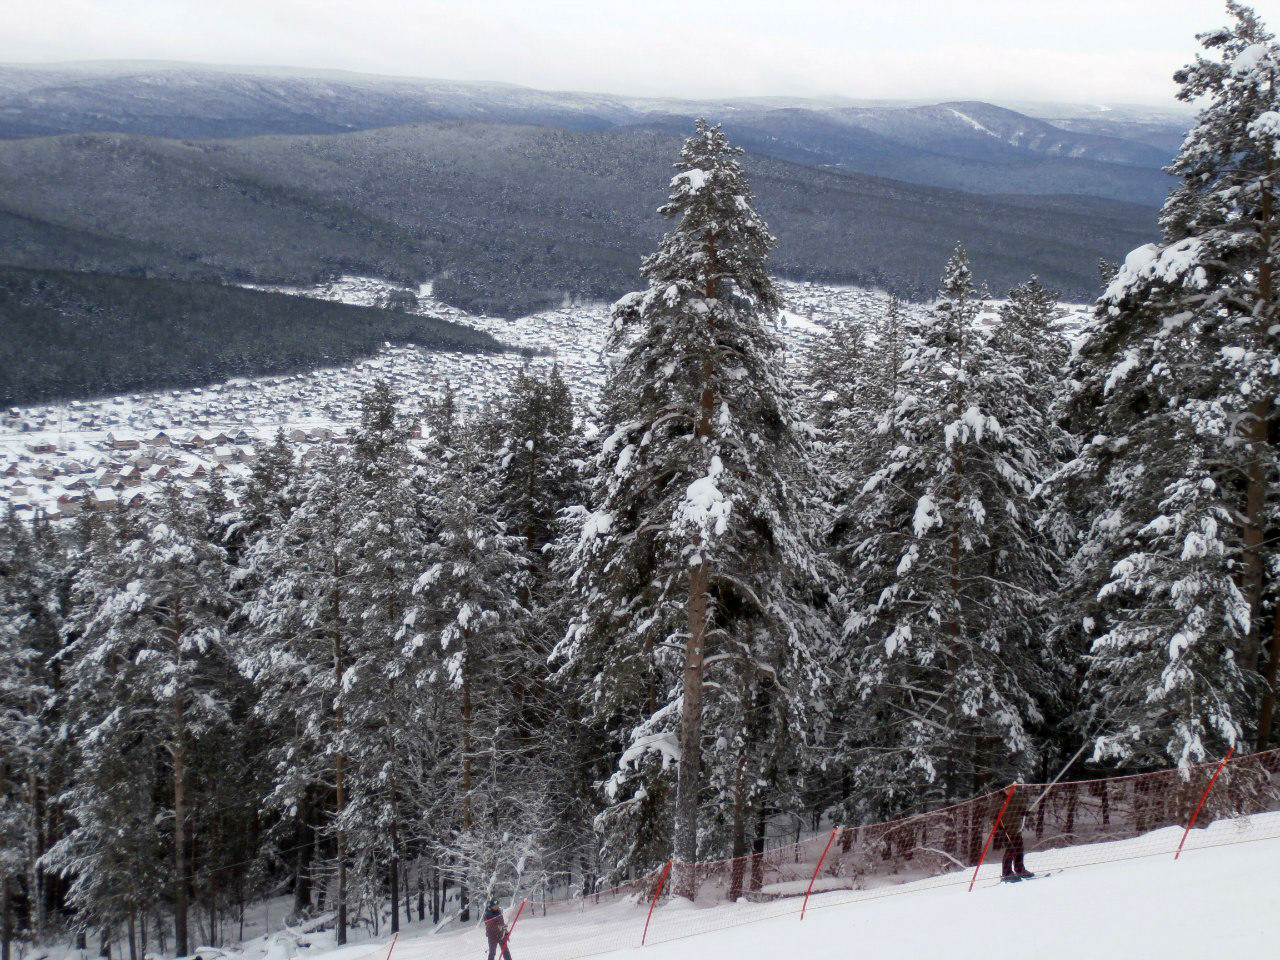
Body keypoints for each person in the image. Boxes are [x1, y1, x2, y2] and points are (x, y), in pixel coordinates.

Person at [999, 786, 1034, 881]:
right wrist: (999, 827)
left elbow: (1019, 809)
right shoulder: (998, 800)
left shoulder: (1017, 798)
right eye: (1009, 789)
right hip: (1005, 829)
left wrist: (1024, 812)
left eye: (1013, 788)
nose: (1011, 790)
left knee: (1019, 849)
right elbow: (992, 815)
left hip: (1016, 828)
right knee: (1010, 850)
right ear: (1004, 789)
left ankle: (1020, 870)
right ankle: (1007, 873)